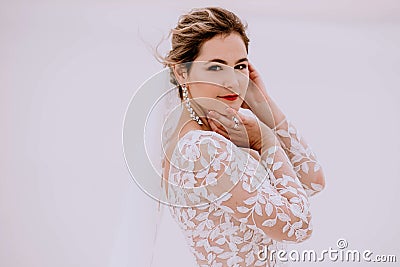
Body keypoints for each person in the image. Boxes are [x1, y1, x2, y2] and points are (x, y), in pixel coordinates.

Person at [157, 7, 325, 266]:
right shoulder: (202, 149)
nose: (233, 82)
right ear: (182, 72)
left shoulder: (199, 131)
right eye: (215, 67)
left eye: (240, 66)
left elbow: (312, 180)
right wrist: (265, 141)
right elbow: (299, 226)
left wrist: (263, 102)